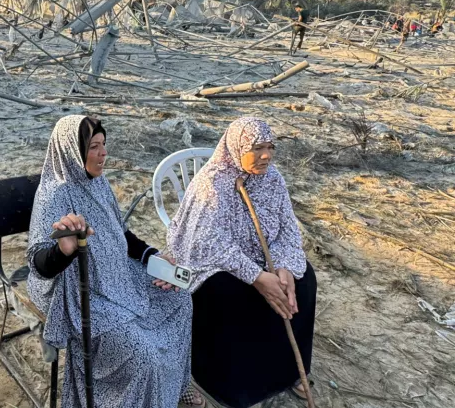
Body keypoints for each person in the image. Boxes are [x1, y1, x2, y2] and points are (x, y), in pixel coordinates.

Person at [27, 116, 200, 407]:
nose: (103, 153)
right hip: (78, 289)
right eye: (94, 146)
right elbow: (38, 263)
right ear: (73, 150)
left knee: (180, 300)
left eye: (104, 144)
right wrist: (64, 250)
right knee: (141, 352)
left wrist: (151, 255)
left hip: (116, 274)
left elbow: (119, 231)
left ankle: (173, 386)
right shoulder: (55, 194)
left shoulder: (98, 181)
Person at [167, 117, 317, 408]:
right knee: (230, 294)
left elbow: (287, 228)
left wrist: (283, 267)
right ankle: (233, 383)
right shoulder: (212, 182)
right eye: (257, 148)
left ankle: (286, 370)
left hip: (266, 256)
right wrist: (258, 278)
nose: (266, 155)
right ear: (237, 148)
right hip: (217, 263)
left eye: (270, 147)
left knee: (304, 280)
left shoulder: (273, 179)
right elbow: (207, 242)